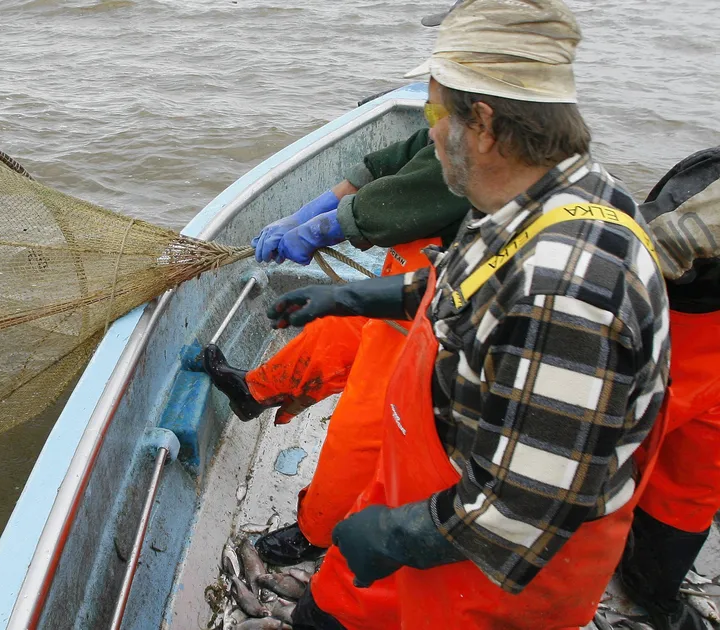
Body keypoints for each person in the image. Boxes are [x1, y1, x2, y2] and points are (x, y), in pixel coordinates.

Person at [268, 1, 671, 628]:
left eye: (435, 115)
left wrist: (394, 534)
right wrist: (354, 297)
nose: (429, 135)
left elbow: (527, 508)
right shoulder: (550, 196)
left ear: (481, 124)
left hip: (488, 579)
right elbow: (478, 288)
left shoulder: (569, 293)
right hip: (442, 496)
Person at [202, 117, 472, 563]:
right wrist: (305, 214)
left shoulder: (478, 155)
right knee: (337, 327)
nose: (434, 118)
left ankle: (318, 533)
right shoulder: (444, 132)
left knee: (362, 425)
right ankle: (256, 391)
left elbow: (388, 204)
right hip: (410, 285)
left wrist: (321, 228)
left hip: (440, 315)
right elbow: (388, 164)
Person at [618, 147, 720, 630]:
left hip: (696, 356)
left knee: (692, 477)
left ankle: (650, 584)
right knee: (668, 466)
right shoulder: (709, 185)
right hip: (688, 346)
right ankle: (644, 584)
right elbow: (637, 252)